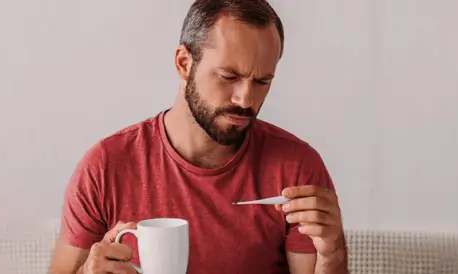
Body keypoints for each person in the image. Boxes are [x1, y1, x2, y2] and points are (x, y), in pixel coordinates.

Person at [49, 0, 348, 273]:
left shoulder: (296, 167)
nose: (246, 99)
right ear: (184, 63)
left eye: (261, 81)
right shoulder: (105, 167)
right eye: (228, 76)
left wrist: (332, 254)